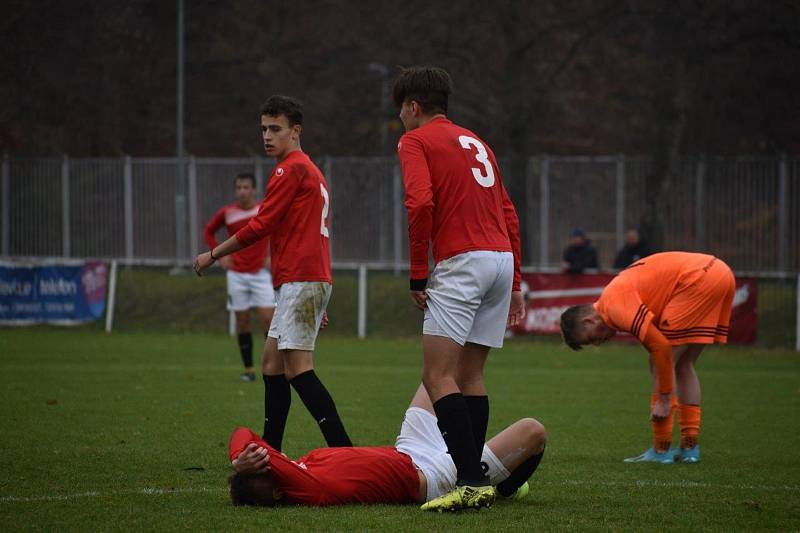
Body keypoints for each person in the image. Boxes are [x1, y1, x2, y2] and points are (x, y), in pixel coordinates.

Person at [392, 66, 525, 511]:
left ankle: (469, 481)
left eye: (402, 114)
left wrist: (417, 272)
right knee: (470, 374)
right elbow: (508, 211)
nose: (402, 123)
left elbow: (420, 201)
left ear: (413, 107)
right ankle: (478, 472)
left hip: (463, 260)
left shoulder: (415, 140)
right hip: (500, 260)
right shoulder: (478, 143)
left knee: (437, 375)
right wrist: (518, 281)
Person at [194, 95, 352, 451]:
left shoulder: (290, 168)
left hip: (301, 278)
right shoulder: (307, 168)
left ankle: (344, 452)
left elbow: (261, 224)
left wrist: (214, 254)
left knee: (298, 369)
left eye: (275, 129)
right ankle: (272, 448)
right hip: (302, 279)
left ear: (295, 132)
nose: (267, 135)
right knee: (271, 363)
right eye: (264, 128)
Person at [227, 384, 546, 509]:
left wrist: (238, 459)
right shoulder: (307, 489)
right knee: (533, 432)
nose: (269, 458)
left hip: (409, 450)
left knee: (440, 375)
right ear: (278, 491)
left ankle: (496, 478)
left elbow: (242, 432)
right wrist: (247, 461)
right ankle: (505, 488)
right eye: (266, 467)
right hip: (434, 478)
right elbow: (261, 447)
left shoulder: (298, 469)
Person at [559, 252, 735, 463]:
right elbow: (655, 342)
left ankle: (662, 450)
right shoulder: (615, 298)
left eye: (590, 339)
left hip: (697, 279)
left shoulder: (613, 305)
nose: (597, 344)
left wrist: (664, 398)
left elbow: (660, 346)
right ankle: (689, 448)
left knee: (661, 360)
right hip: (720, 272)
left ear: (588, 321)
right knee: (684, 364)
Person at [204, 173, 275, 382]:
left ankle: (272, 367)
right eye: (239, 188)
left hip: (261, 274)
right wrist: (219, 256)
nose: (242, 191)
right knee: (242, 322)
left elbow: (279, 231)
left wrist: (272, 256)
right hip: (236, 275)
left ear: (254, 190)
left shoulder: (264, 210)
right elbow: (209, 231)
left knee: (268, 321)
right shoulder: (228, 213)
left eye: (246, 187)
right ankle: (249, 370)